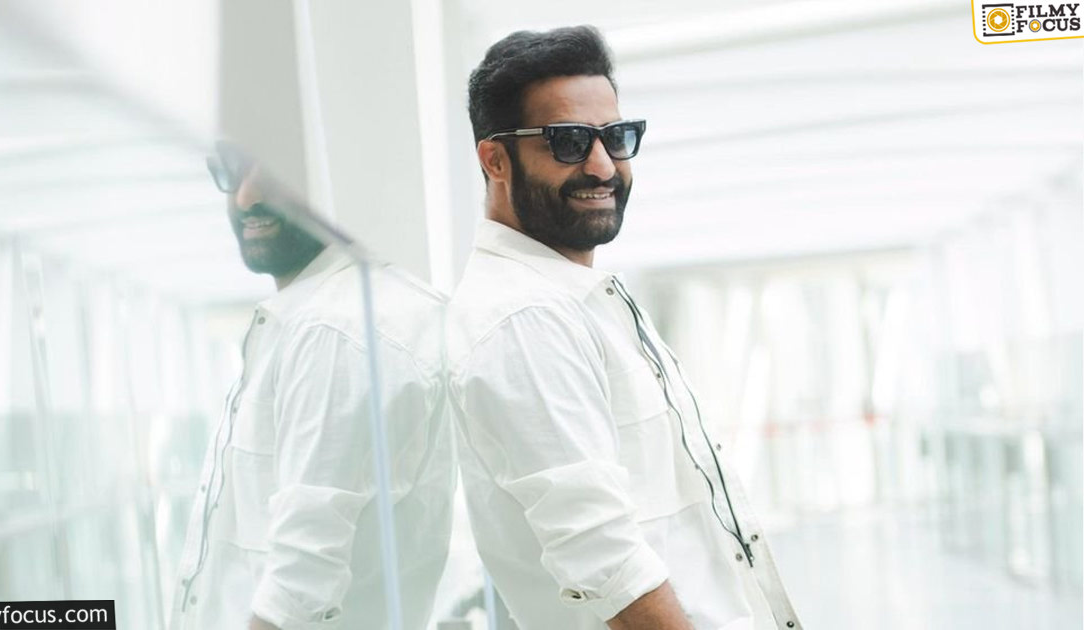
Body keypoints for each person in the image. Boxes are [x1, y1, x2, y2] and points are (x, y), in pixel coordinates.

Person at [448, 26, 802, 630]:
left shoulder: (576, 300)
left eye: (616, 137)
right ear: (495, 159)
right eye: (568, 142)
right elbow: (603, 560)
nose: (601, 166)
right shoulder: (525, 319)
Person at [169, 143, 454, 630]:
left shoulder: (338, 331)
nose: (247, 197)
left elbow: (299, 587)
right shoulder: (314, 319)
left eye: (276, 171)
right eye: (233, 171)